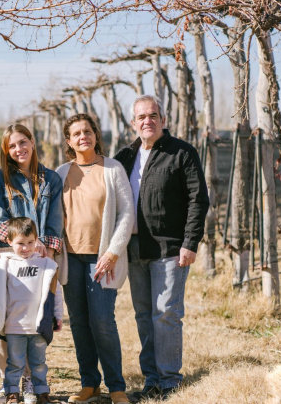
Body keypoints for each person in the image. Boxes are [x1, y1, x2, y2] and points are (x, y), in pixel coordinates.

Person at [114, 95, 209, 401]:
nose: (147, 121)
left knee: (166, 313)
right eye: (141, 117)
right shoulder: (125, 156)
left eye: (153, 115)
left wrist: (190, 242)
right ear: (133, 123)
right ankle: (151, 379)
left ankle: (169, 381)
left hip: (170, 248)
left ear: (163, 120)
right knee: (143, 314)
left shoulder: (181, 152)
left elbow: (198, 198)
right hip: (135, 249)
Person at [55, 115, 134, 404]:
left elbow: (126, 213)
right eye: (76, 133)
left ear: (95, 134)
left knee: (102, 320)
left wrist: (113, 252)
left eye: (87, 131)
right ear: (68, 140)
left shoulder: (112, 169)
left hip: (102, 259)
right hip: (71, 259)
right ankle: (90, 383)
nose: (82, 137)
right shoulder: (62, 172)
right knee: (78, 322)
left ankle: (116, 386)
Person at [0, 124, 64, 404]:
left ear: (32, 141)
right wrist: (21, 241)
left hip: (39, 255)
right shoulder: (0, 180)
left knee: (33, 321)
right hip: (5, 254)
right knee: (2, 319)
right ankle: (9, 383)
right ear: (6, 151)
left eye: (23, 142)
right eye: (12, 146)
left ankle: (31, 381)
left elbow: (55, 220)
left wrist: (44, 246)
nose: (19, 149)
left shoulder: (51, 179)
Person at [0, 217, 63, 404]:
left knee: (39, 363)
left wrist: (57, 315)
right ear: (9, 241)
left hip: (37, 325)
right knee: (15, 362)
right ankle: (11, 392)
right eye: (20, 243)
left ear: (37, 240)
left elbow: (55, 291)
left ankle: (41, 392)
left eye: (31, 242)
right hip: (14, 326)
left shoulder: (45, 264)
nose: (26, 248)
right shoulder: (4, 265)